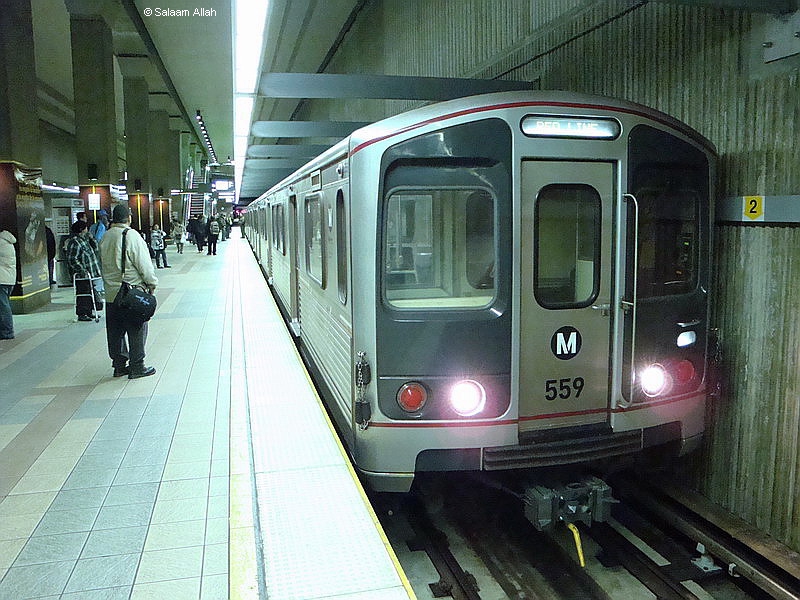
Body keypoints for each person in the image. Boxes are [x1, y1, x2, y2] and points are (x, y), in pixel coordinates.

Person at [99, 204, 158, 379]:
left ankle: (119, 366)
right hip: (130, 292)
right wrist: (151, 283)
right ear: (129, 218)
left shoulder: (105, 236)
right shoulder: (131, 235)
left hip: (110, 293)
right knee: (137, 329)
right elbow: (144, 264)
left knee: (115, 331)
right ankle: (137, 366)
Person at [65, 220, 103, 321]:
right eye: (86, 228)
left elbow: (96, 249)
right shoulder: (75, 242)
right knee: (83, 293)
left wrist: (92, 239)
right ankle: (82, 313)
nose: (88, 230)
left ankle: (89, 311)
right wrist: (81, 270)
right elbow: (73, 259)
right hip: (82, 274)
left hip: (91, 272)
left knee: (89, 291)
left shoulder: (84, 240)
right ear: (82, 229)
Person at [0, 230, 17, 340]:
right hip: (8, 278)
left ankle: (7, 332)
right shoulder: (7, 241)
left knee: (3, 307)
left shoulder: (1, 242)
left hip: (2, 278)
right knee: (3, 306)